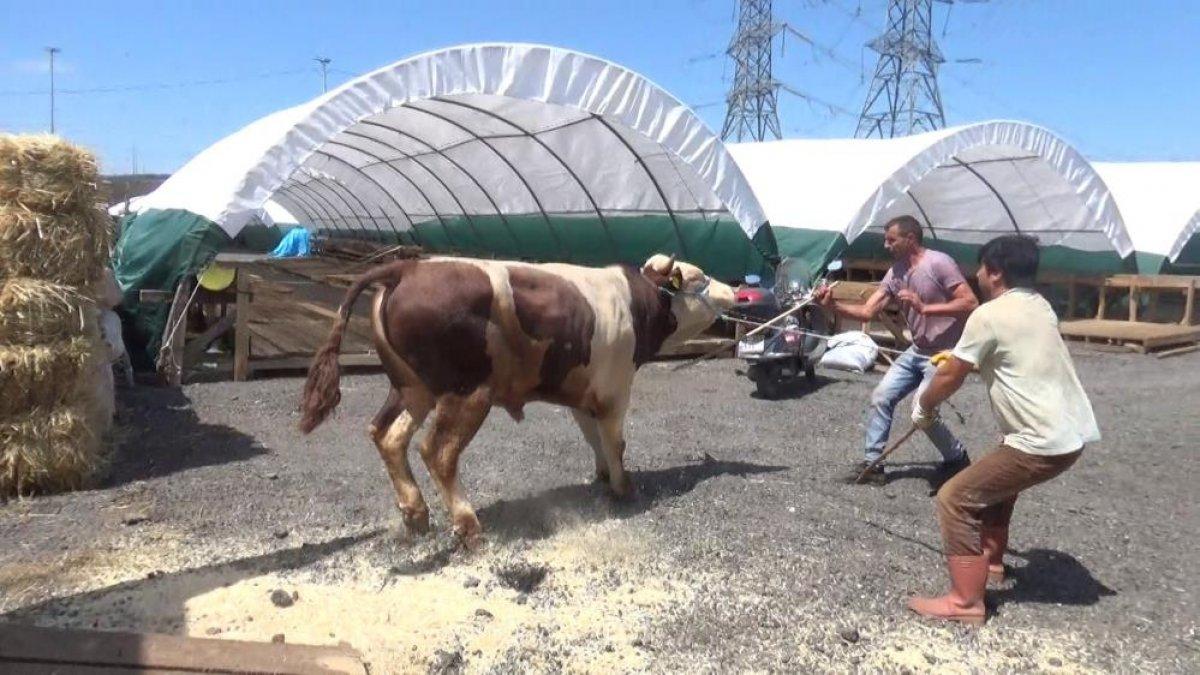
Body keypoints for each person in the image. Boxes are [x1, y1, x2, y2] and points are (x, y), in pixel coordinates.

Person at [907, 234, 1100, 625]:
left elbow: (951, 376)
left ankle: (965, 602)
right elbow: (1013, 357)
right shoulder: (1040, 306)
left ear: (995, 272)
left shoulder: (988, 314)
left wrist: (924, 406)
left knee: (954, 498)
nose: (976, 274)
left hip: (1040, 440)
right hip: (1070, 434)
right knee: (998, 477)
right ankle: (992, 563)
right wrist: (970, 359)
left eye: (980, 267)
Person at [815, 215, 978, 485]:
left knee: (920, 410)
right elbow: (868, 311)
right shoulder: (896, 273)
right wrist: (832, 306)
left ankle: (957, 459)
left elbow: (969, 302)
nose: (886, 245)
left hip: (946, 352)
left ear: (910, 239)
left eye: (891, 239)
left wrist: (925, 308)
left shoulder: (938, 263)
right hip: (917, 350)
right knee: (881, 396)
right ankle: (873, 465)